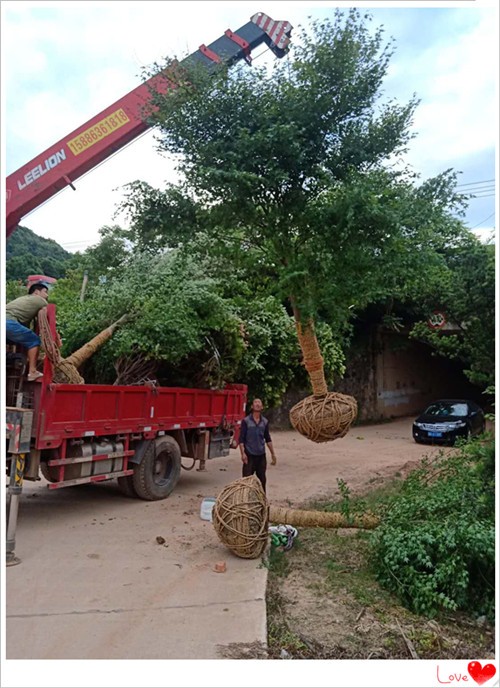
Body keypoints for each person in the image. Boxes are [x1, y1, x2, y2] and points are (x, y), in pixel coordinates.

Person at [6, 281, 49, 381]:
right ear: (37, 292)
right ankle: (32, 372)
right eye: (45, 292)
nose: (46, 295)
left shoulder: (23, 301)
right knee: (34, 340)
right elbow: (48, 309)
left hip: (7, 323)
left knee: (21, 340)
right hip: (8, 323)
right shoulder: (39, 300)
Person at [239, 398, 277, 493]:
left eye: (259, 402)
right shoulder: (246, 421)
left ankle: (263, 501)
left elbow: (267, 438)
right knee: (246, 481)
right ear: (252, 406)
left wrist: (273, 454)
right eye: (255, 402)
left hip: (261, 456)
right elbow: (241, 439)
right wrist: (243, 453)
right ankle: (245, 501)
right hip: (249, 455)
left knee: (262, 480)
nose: (257, 404)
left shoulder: (265, 422)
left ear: (262, 407)